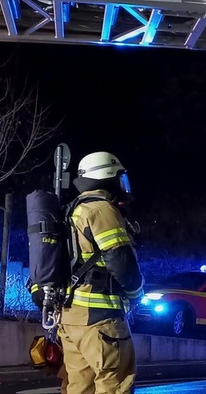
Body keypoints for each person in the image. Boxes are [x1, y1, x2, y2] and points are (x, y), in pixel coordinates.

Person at [58, 151, 144, 394]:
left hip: (71, 318)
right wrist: (136, 293)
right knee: (115, 385)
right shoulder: (101, 210)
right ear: (107, 176)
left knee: (79, 387)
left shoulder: (72, 211)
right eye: (119, 178)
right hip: (101, 320)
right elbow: (120, 261)